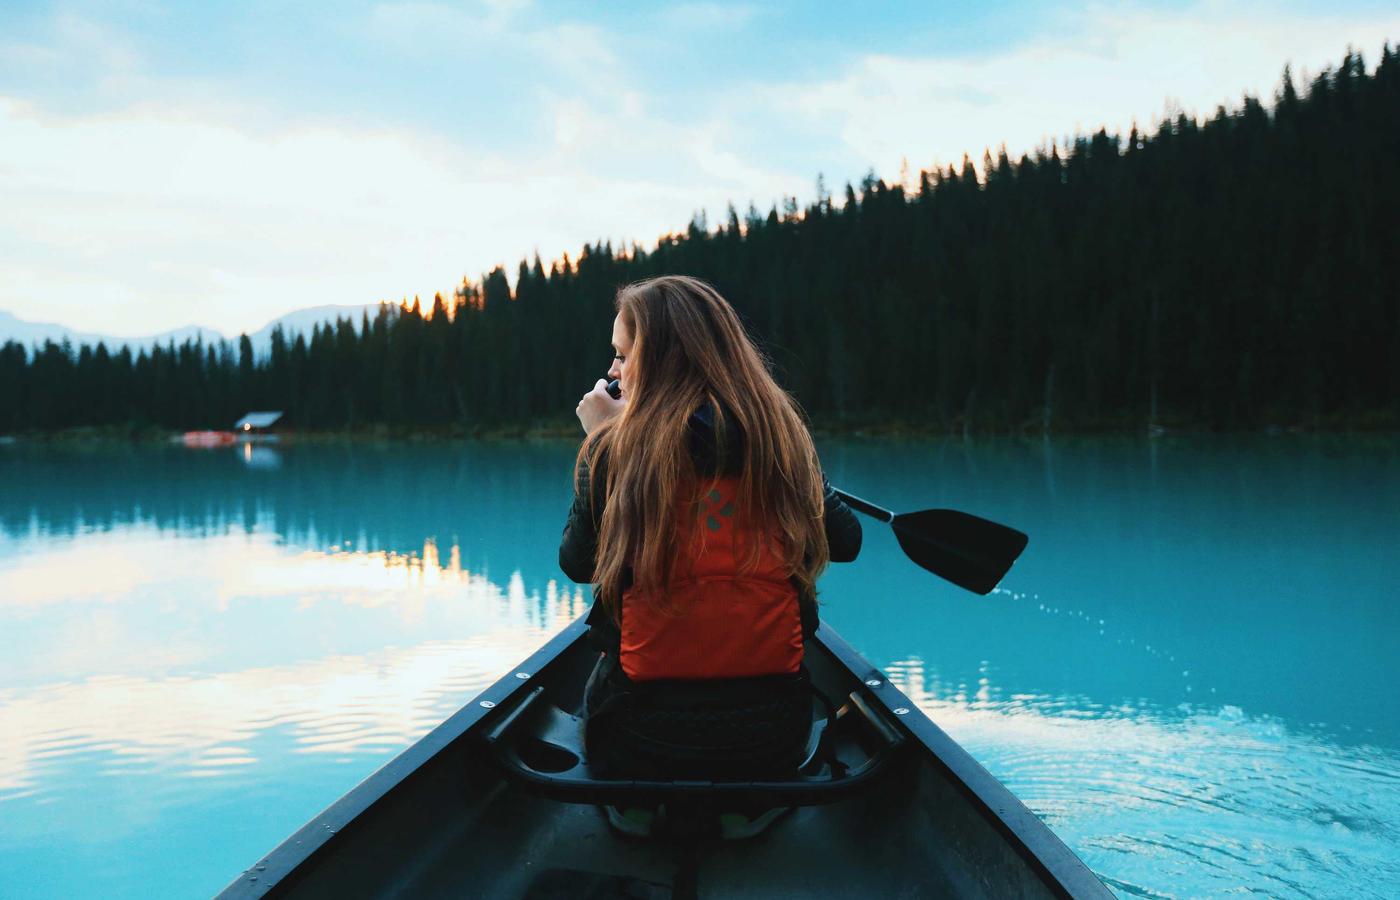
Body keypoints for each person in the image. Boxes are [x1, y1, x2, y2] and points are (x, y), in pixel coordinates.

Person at [558, 276, 861, 814]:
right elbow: (846, 542)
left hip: (639, 740)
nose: (612, 373)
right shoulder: (780, 438)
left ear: (660, 360)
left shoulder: (617, 451)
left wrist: (603, 442)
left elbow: (578, 563)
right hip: (771, 740)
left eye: (624, 356)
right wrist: (805, 472)